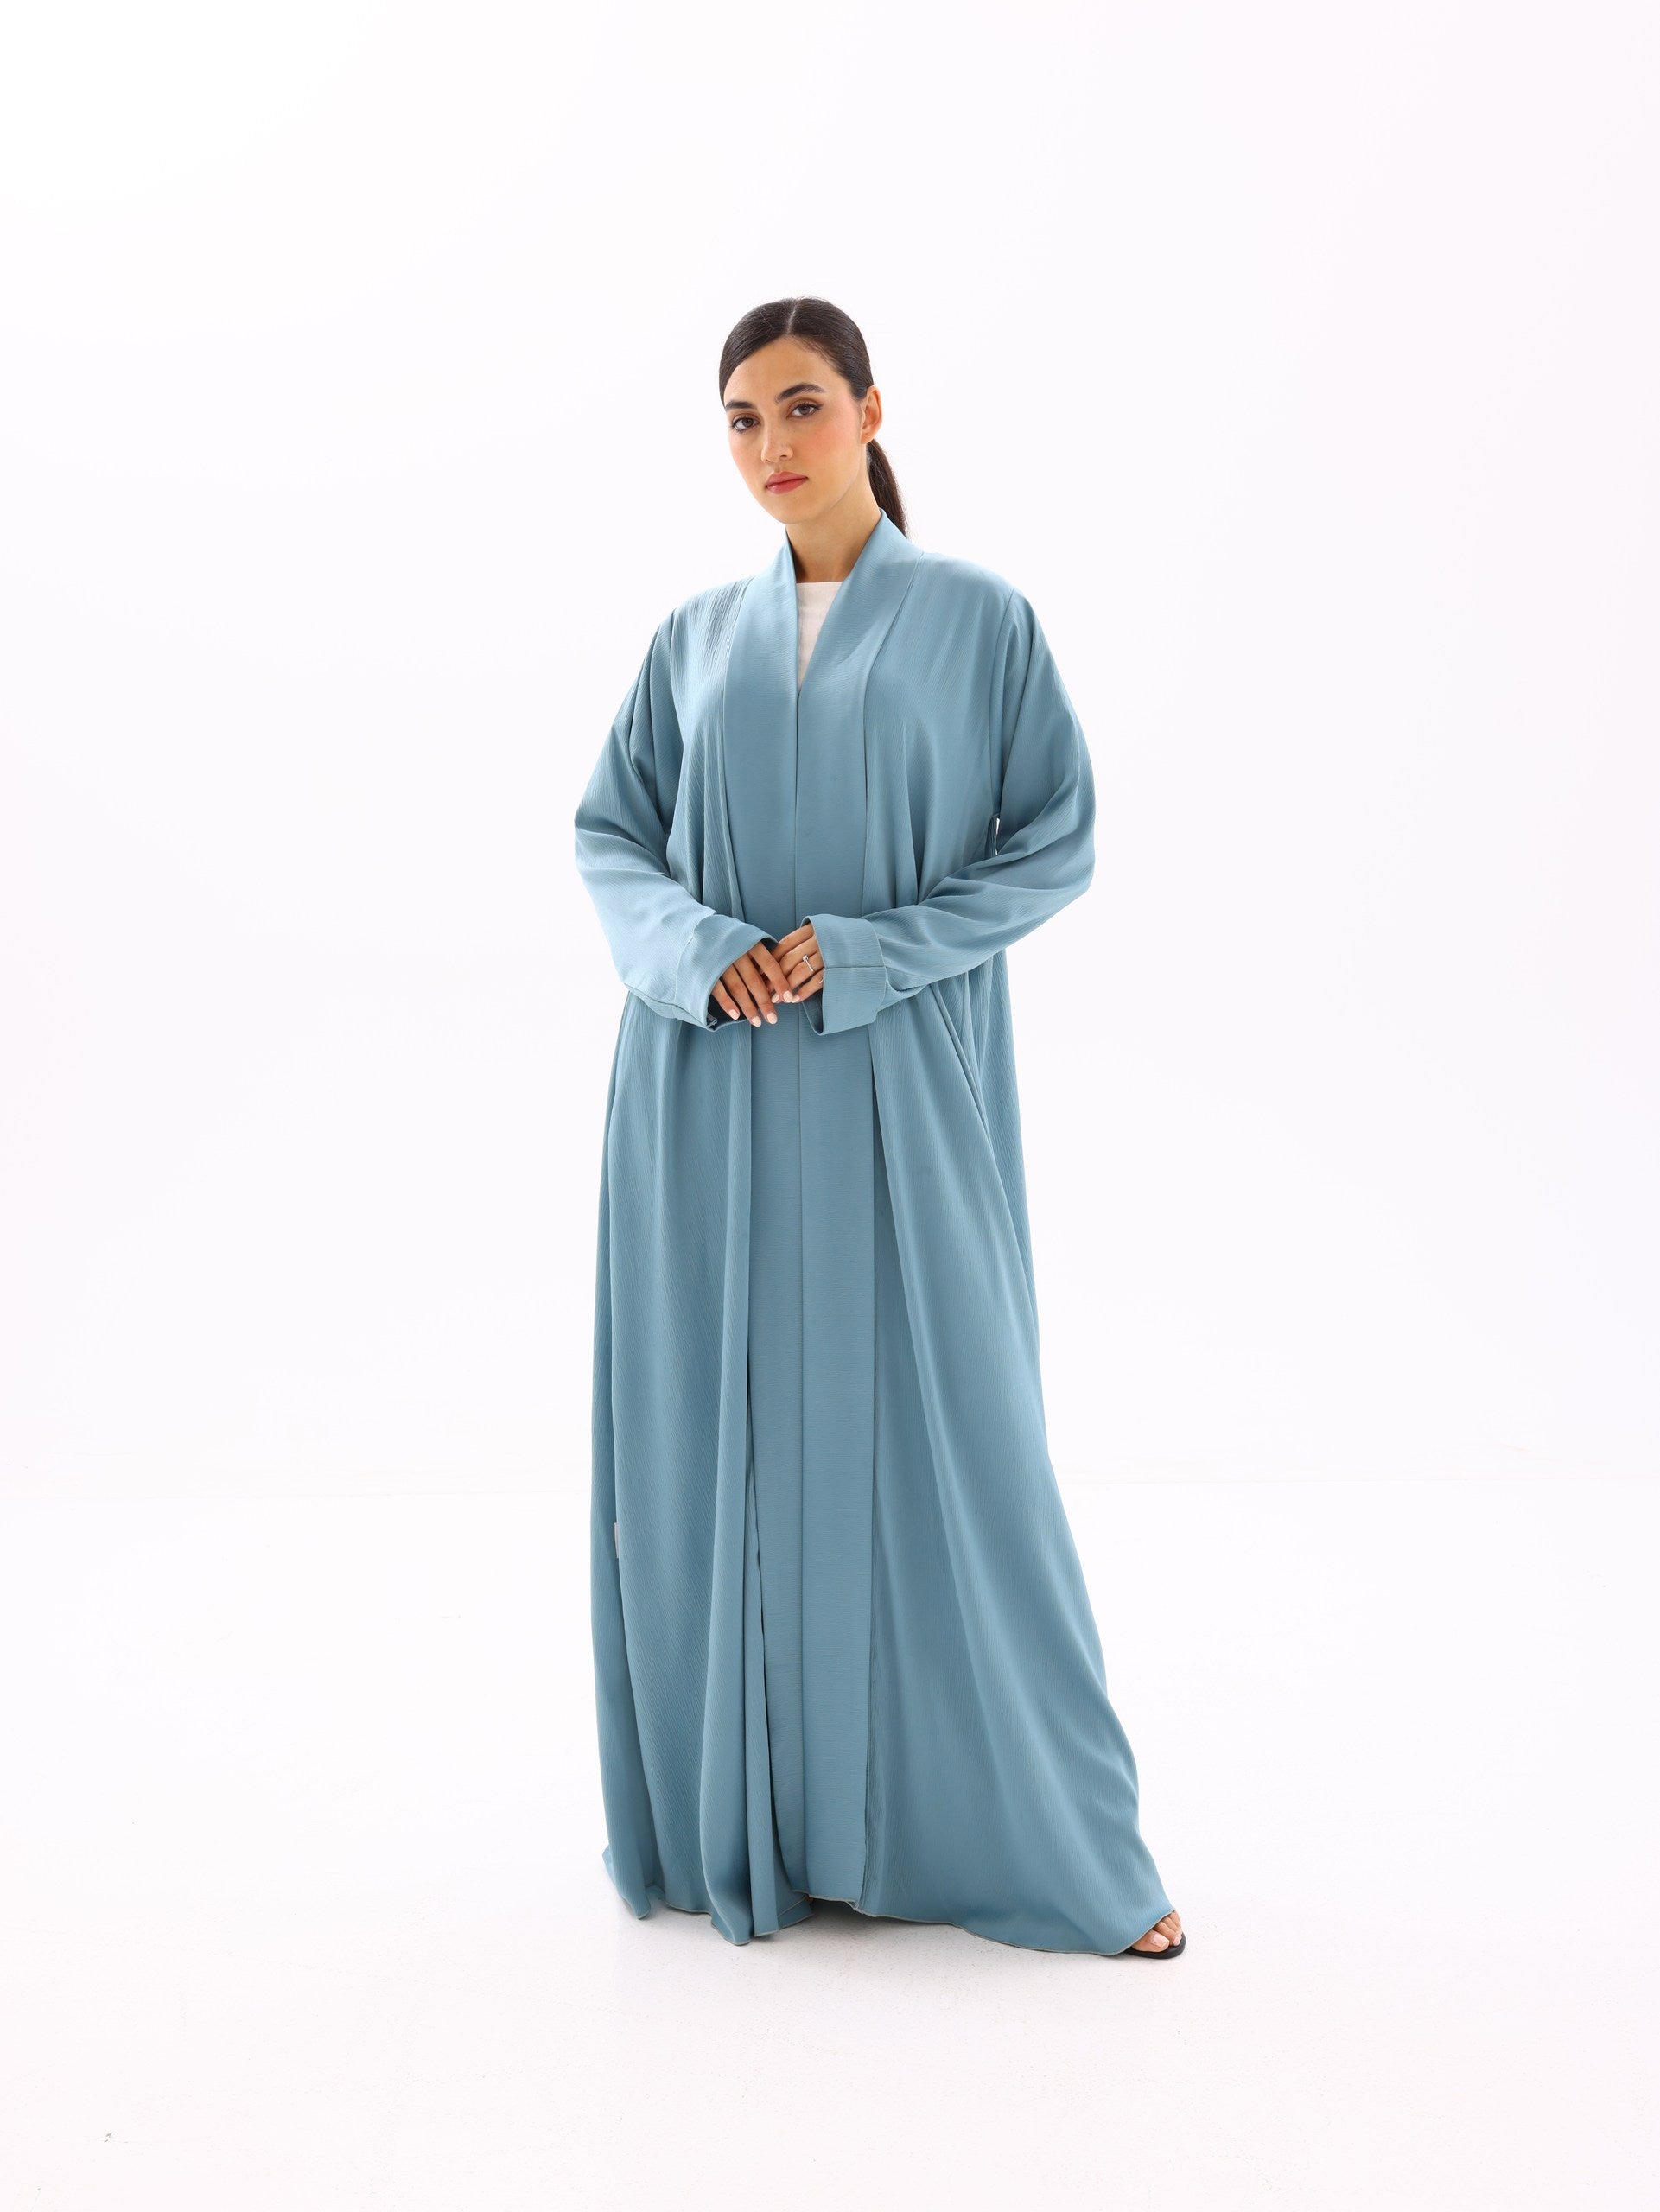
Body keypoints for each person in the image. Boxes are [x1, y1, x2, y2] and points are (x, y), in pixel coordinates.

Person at [573, 296, 1186, 1961]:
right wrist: (699, 952)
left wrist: (864, 951)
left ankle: (1059, 1852)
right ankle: (762, 1829)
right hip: (702, 1085)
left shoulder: (979, 622)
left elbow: (1052, 841)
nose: (770, 445)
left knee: (959, 1442)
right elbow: (612, 836)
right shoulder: (690, 639)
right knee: (711, 1444)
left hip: (900, 1076)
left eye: (799, 406)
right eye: (740, 419)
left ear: (868, 409)